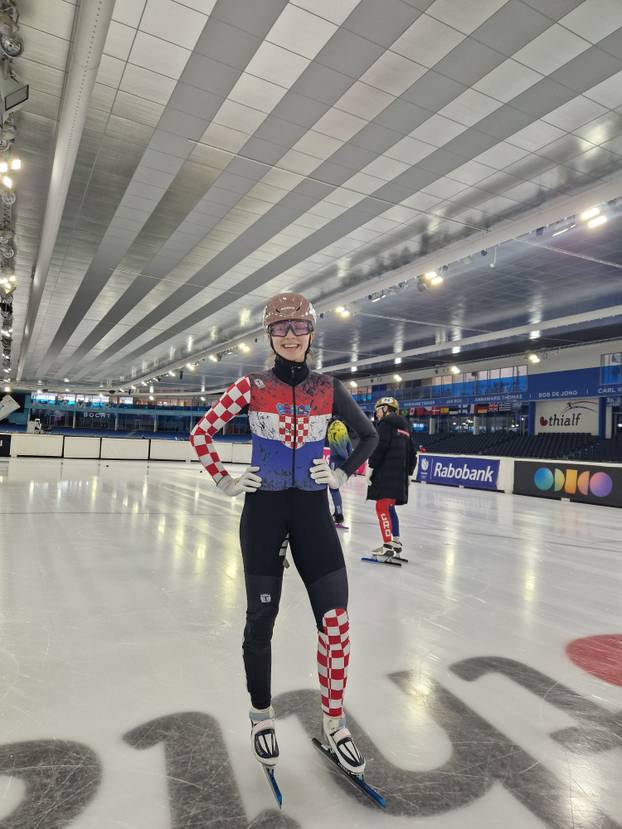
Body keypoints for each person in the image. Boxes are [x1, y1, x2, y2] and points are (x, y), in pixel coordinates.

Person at [189, 292, 378, 777]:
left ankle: (335, 724)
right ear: (269, 336)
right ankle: (260, 715)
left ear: (311, 334)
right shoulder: (250, 386)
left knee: (336, 622)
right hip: (265, 511)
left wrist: (341, 474)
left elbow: (370, 436)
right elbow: (201, 432)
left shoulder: (329, 388)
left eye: (299, 328)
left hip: (312, 510)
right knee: (262, 619)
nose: (290, 336)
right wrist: (226, 480)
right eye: (281, 329)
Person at [366, 396, 417, 561]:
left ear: (386, 409)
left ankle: (387, 545)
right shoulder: (405, 428)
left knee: (382, 507)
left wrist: (371, 467)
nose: (377, 413)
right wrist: (409, 473)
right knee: (390, 508)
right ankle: (396, 542)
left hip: (386, 475)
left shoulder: (385, 425)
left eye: (378, 409)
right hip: (399, 477)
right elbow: (413, 454)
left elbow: (379, 447)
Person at [326, 418, 352, 527]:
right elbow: (349, 448)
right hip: (343, 461)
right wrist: (351, 464)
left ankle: (339, 515)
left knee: (333, 489)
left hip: (335, 461)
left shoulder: (333, 429)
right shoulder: (343, 429)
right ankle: (338, 513)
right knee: (335, 490)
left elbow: (340, 451)